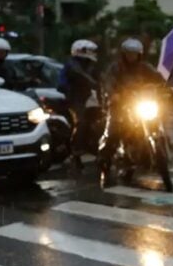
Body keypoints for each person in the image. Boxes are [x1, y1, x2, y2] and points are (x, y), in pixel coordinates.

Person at [98, 38, 165, 187]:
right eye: (129, 54)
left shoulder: (144, 67)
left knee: (157, 119)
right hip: (120, 106)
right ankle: (105, 161)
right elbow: (108, 81)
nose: (131, 57)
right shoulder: (116, 68)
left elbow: (158, 78)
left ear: (139, 55)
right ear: (124, 54)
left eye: (134, 54)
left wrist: (166, 86)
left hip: (139, 104)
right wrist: (113, 94)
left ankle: (151, 156)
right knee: (114, 132)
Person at [60, 40, 100, 171]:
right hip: (73, 98)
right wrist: (92, 82)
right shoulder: (72, 64)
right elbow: (80, 75)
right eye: (89, 51)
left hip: (87, 97)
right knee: (81, 122)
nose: (93, 54)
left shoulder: (91, 65)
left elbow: (102, 78)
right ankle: (75, 152)